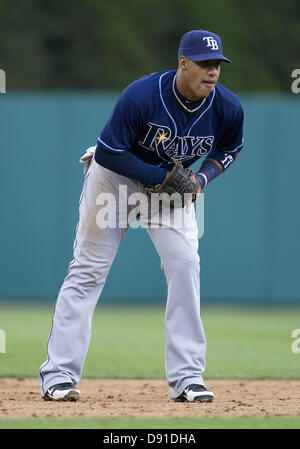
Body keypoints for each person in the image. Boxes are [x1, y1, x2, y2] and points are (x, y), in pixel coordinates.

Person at [39, 29, 244, 403]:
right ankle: (59, 376)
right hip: (115, 182)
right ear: (183, 63)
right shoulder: (142, 95)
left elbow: (232, 147)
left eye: (217, 64)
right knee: (88, 270)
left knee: (185, 265)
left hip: (172, 190)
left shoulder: (227, 107)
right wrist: (163, 177)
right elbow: (108, 153)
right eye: (203, 63)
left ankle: (187, 378)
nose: (212, 71)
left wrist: (201, 178)